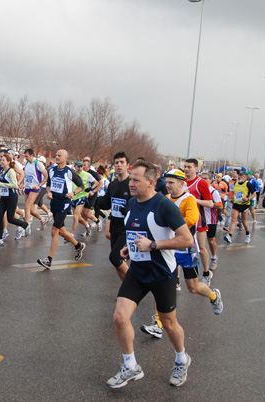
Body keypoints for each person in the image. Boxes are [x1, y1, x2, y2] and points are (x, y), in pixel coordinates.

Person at [107, 161, 194, 389]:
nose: (131, 183)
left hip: (162, 273)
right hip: (137, 270)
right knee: (119, 317)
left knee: (168, 323)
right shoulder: (132, 203)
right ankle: (130, 366)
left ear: (151, 182)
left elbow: (187, 239)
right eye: (131, 179)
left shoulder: (165, 206)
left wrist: (153, 245)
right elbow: (135, 231)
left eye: (136, 179)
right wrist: (129, 247)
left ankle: (181, 359)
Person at [140, 169, 223, 340]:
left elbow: (192, 219)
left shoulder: (189, 200)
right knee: (161, 285)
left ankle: (213, 296)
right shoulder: (165, 200)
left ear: (181, 183)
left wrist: (171, 224)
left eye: (171, 183)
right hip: (168, 248)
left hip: (186, 249)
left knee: (193, 287)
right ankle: (158, 324)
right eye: (167, 182)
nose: (168, 186)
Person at [36, 149, 86, 269]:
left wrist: (73, 193)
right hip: (55, 203)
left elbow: (81, 186)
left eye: (59, 155)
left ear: (65, 157)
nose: (56, 157)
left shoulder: (70, 172)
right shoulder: (52, 170)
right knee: (62, 231)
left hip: (64, 203)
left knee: (54, 230)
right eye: (56, 155)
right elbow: (48, 185)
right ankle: (78, 246)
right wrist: (48, 192)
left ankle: (49, 260)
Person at [97, 152, 132, 280]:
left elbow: (138, 203)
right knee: (117, 263)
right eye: (116, 162)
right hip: (115, 226)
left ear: (128, 165)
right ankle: (127, 293)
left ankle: (135, 286)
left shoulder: (132, 184)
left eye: (122, 162)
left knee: (115, 257)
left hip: (127, 227)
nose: (119, 165)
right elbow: (106, 204)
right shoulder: (113, 184)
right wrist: (94, 198)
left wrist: (127, 210)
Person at [183, 159, 214, 285]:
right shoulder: (182, 182)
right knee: (181, 248)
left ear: (196, 168)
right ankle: (177, 280)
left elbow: (210, 203)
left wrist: (194, 200)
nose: (186, 169)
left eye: (189, 167)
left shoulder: (200, 183)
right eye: (185, 167)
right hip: (185, 219)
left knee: (201, 248)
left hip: (199, 220)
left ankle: (206, 273)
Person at [0, 153, 30, 246]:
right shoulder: (1, 171)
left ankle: (25, 225)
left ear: (8, 162)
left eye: (3, 160)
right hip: (3, 197)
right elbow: (1, 183)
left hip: (12, 197)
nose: (1, 162)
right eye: (1, 160)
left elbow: (15, 185)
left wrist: (1, 185)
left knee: (10, 219)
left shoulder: (11, 171)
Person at [224, 169, 255, 244]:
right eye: (239, 175)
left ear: (245, 177)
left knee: (244, 221)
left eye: (241, 176)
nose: (239, 177)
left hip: (244, 205)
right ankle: (229, 236)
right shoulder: (235, 183)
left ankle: (247, 234)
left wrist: (248, 198)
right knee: (233, 220)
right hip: (236, 204)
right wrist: (232, 199)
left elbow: (254, 194)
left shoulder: (248, 184)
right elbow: (235, 193)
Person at [21, 149, 49, 231]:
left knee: (26, 207)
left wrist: (39, 185)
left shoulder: (38, 164)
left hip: (35, 188)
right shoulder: (26, 163)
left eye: (27, 156)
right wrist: (22, 183)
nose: (25, 158)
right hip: (27, 187)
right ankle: (42, 219)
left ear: (32, 155)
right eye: (25, 156)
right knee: (31, 210)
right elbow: (25, 175)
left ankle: (26, 228)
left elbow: (46, 176)